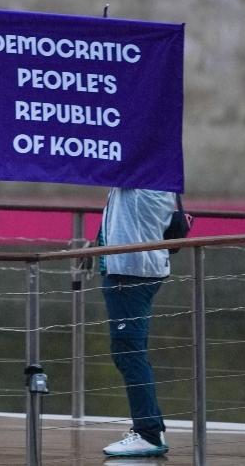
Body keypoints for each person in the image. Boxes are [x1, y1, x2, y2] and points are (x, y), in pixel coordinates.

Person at [97, 188, 175, 458]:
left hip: (130, 273)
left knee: (129, 354)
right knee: (131, 352)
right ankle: (150, 428)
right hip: (132, 270)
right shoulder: (151, 175)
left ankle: (148, 433)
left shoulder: (139, 177)